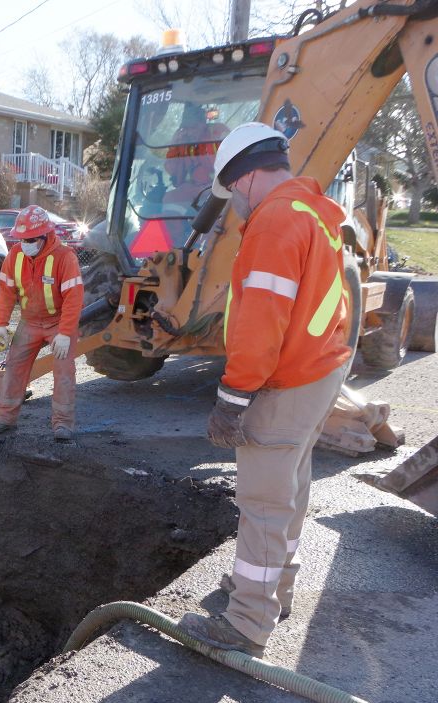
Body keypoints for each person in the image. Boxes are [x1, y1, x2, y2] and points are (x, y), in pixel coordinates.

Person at [179, 123, 353, 657]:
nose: (234, 207)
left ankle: (247, 623)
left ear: (248, 178)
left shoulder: (273, 223)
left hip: (288, 378)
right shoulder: (310, 213)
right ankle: (274, 587)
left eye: (232, 195)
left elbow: (260, 320)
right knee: (289, 487)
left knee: (261, 499)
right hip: (320, 369)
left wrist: (232, 397)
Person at [0, 205, 84, 440]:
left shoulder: (64, 257)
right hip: (30, 321)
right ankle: (4, 418)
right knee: (14, 367)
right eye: (22, 239)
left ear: (44, 236)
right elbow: (6, 291)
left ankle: (63, 424)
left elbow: (74, 298)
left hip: (59, 321)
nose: (24, 243)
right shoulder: (16, 255)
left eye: (30, 239)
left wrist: (66, 333)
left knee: (64, 371)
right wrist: (1, 325)